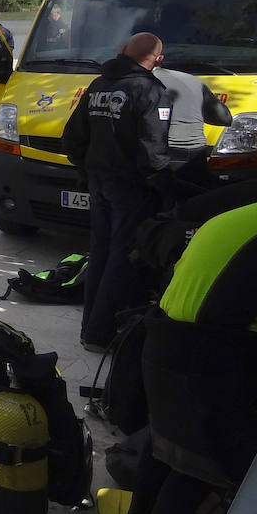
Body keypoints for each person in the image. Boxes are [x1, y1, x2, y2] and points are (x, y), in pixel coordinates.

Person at [134, 200, 257, 514]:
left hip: (163, 347)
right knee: (218, 478)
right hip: (211, 363)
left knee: (186, 471)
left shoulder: (243, 212)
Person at [62, 32, 173, 350]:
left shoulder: (98, 85)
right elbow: (153, 151)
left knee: (99, 251)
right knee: (121, 258)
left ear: (122, 50)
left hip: (99, 183)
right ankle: (101, 334)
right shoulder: (150, 90)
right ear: (158, 60)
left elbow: (72, 138)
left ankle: (88, 328)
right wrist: (165, 188)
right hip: (130, 188)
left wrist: (87, 172)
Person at [153, 66, 231, 194]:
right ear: (159, 59)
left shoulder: (124, 84)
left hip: (154, 155)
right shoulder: (189, 79)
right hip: (193, 153)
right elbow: (225, 118)